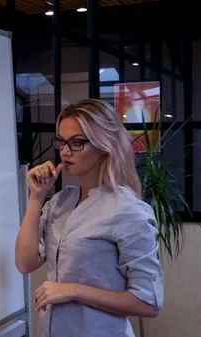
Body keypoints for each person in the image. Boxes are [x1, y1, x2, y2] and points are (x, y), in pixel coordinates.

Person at [15, 99, 164, 337]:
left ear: (104, 145)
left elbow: (148, 302)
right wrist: (36, 198)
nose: (64, 151)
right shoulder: (60, 203)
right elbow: (25, 263)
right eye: (61, 142)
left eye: (76, 143)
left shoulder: (127, 210)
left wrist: (74, 290)